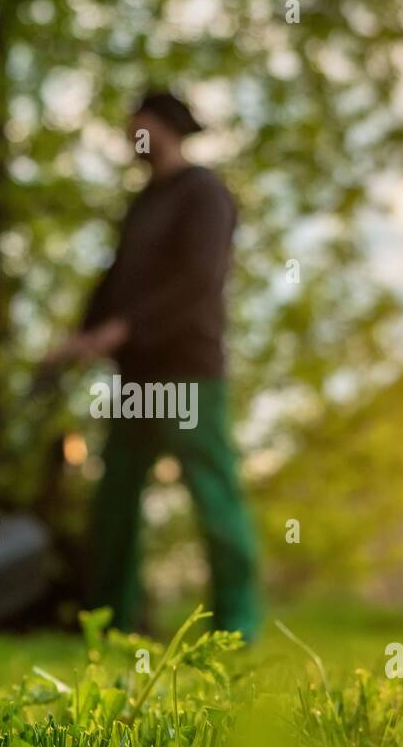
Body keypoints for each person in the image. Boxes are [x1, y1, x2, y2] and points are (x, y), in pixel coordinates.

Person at [43, 90, 261, 640]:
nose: (129, 138)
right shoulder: (142, 204)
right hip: (136, 377)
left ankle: (237, 623)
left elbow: (197, 279)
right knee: (115, 497)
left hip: (189, 370)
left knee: (213, 494)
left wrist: (128, 327)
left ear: (166, 128)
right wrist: (80, 336)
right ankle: (111, 622)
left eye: (137, 127)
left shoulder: (205, 194)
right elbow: (114, 278)